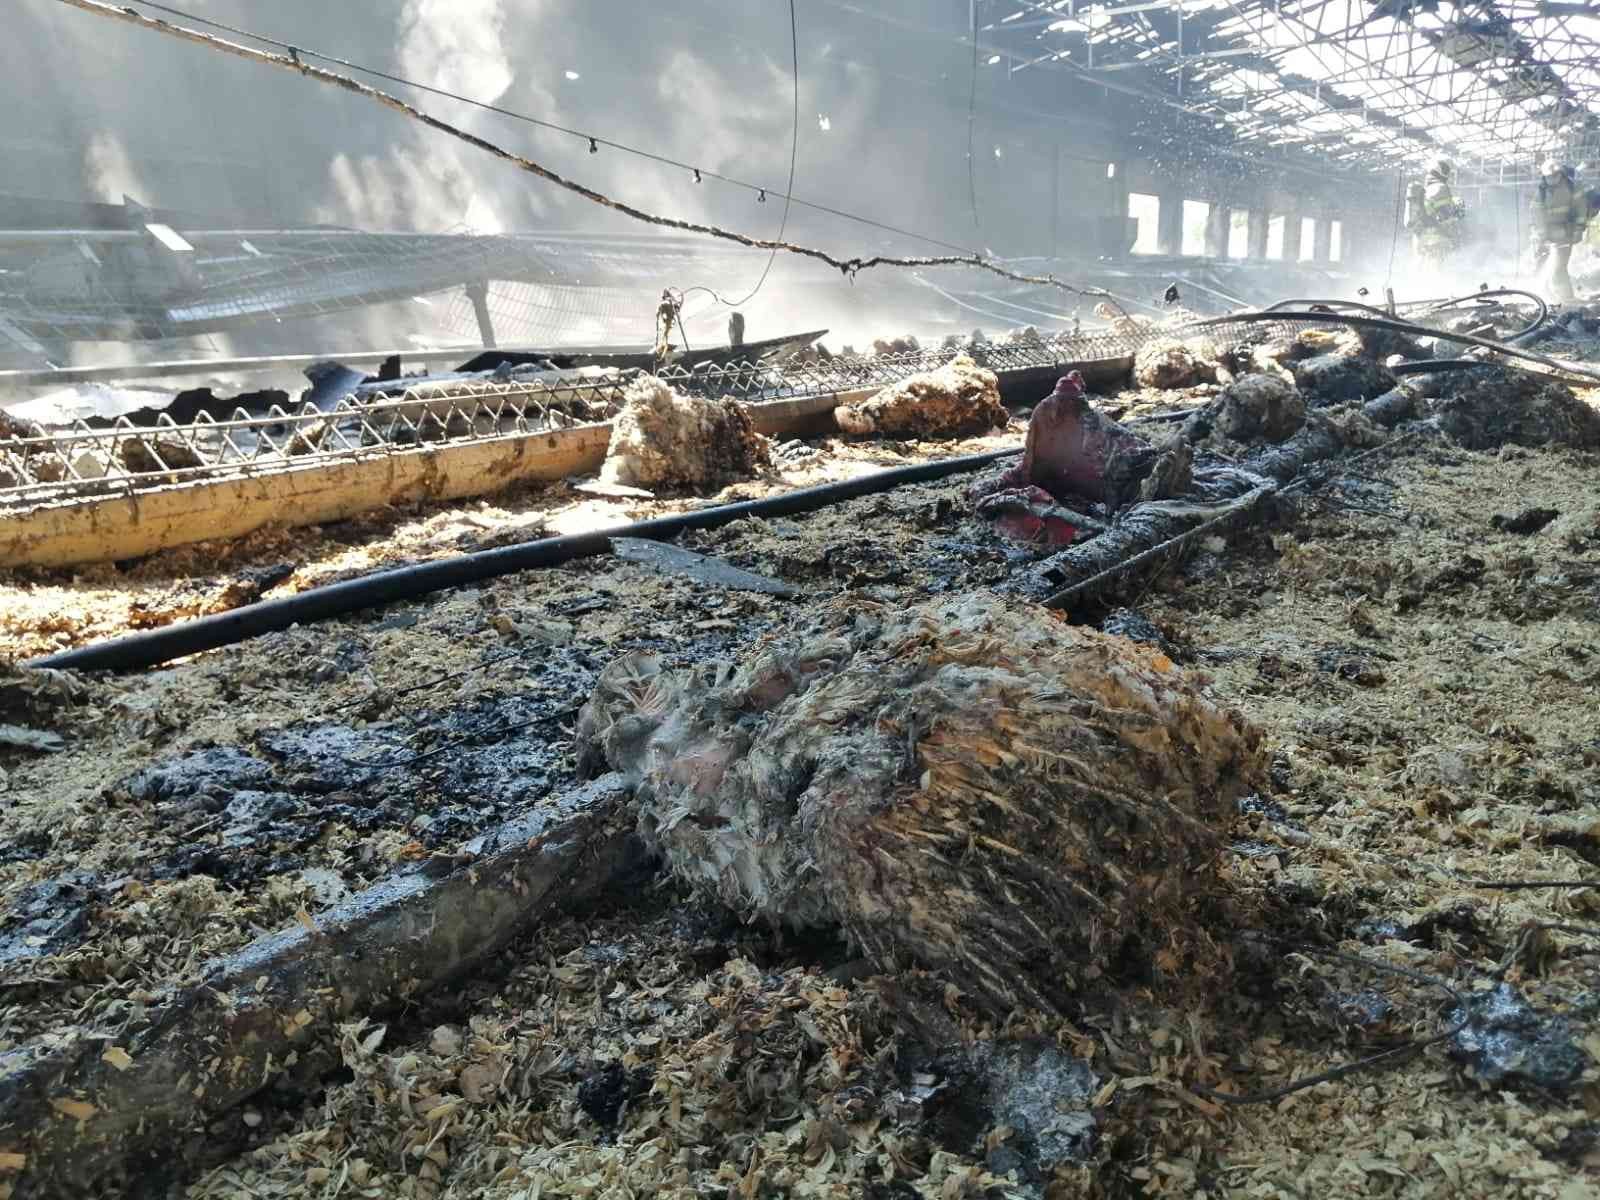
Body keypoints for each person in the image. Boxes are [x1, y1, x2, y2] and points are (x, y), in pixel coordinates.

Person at [1532, 159, 1585, 302]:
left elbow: (1581, 210)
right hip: (1546, 236)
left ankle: (1567, 299)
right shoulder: (1541, 191)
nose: (1551, 179)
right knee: (1540, 267)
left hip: (1565, 234)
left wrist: (1578, 230)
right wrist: (1542, 235)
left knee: (1558, 268)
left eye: (1554, 176)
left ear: (1560, 174)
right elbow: (1536, 213)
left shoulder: (1572, 187)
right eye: (1548, 177)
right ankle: (1546, 298)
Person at [1408, 157, 1465, 266]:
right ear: (1440, 170)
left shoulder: (1423, 190)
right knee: (1436, 273)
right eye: (1446, 170)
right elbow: (1445, 215)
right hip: (1437, 238)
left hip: (1419, 239)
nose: (1448, 174)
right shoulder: (1442, 188)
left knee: (1420, 269)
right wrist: (1458, 209)